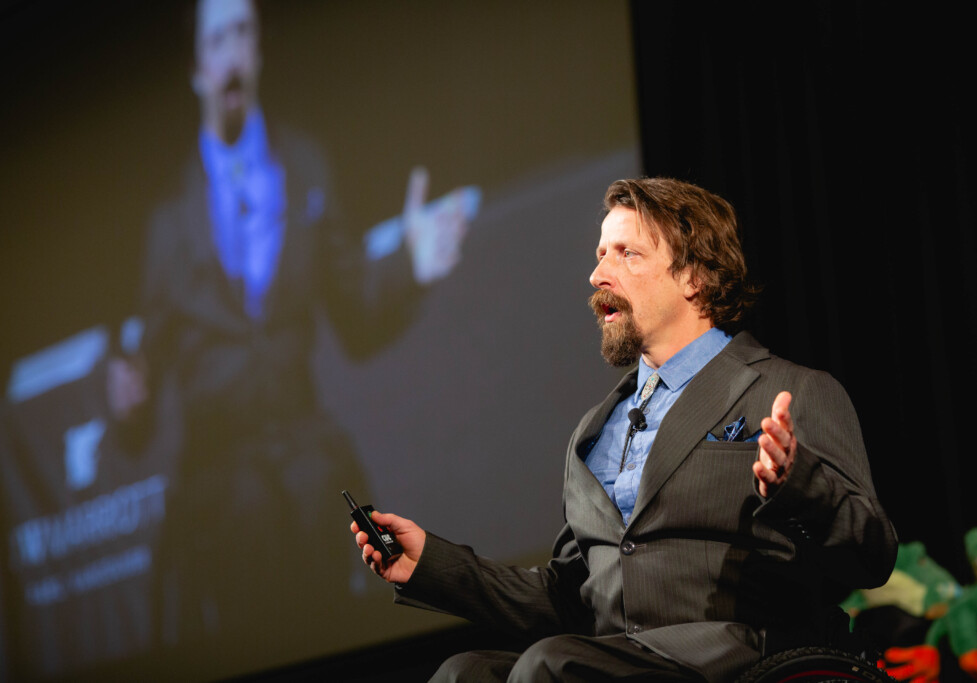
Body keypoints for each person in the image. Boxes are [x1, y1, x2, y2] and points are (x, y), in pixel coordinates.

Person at [352, 177, 898, 682]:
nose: (597, 276)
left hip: (737, 658)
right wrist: (428, 565)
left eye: (627, 254)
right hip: (612, 660)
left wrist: (797, 485)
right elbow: (569, 597)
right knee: (463, 673)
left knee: (550, 666)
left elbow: (871, 556)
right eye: (600, 255)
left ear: (694, 276)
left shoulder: (789, 388)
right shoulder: (596, 431)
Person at [111, 0, 477, 658]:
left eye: (242, 34)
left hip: (306, 465)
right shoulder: (167, 219)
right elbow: (142, 389)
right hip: (221, 486)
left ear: (257, 53)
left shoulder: (304, 166)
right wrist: (127, 405)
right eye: (216, 39)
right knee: (247, 522)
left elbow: (356, 321)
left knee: (325, 520)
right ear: (198, 67)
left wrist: (410, 270)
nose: (231, 53)